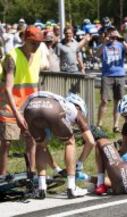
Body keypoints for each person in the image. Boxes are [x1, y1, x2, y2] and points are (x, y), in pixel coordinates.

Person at [22, 91, 95, 199]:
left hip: (30, 108)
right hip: (52, 108)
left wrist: (57, 169)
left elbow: (44, 148)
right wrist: (80, 163)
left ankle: (41, 188)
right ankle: (71, 187)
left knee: (41, 144)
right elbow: (91, 141)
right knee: (70, 142)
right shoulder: (75, 110)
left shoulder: (60, 101)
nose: (73, 124)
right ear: (79, 107)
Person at [0, 26, 44, 176]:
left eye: (39, 43)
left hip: (29, 105)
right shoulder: (12, 57)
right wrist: (17, 114)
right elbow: (8, 89)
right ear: (25, 39)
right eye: (33, 43)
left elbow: (35, 82)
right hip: (10, 105)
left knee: (31, 139)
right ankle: (2, 175)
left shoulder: (37, 55)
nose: (37, 47)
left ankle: (31, 172)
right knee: (6, 142)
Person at [96, 27, 127, 133]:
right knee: (104, 101)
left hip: (120, 75)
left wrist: (122, 40)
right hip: (107, 75)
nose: (112, 35)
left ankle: (116, 125)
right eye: (110, 33)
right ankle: (99, 124)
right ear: (107, 34)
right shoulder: (104, 45)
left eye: (114, 33)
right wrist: (104, 43)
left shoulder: (120, 44)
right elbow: (97, 54)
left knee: (118, 101)